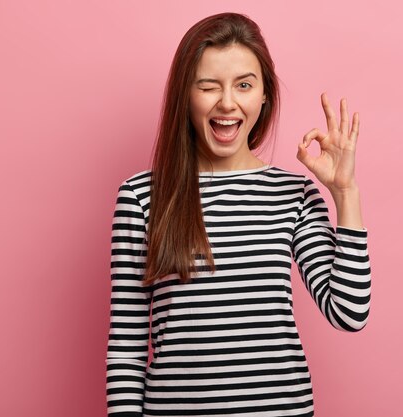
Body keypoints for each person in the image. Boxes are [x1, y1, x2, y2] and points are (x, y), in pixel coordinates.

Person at [106, 12, 371, 417]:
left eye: (244, 85)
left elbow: (349, 312)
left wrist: (345, 193)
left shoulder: (293, 194)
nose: (227, 103)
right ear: (185, 94)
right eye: (208, 86)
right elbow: (126, 346)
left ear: (264, 95)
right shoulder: (142, 197)